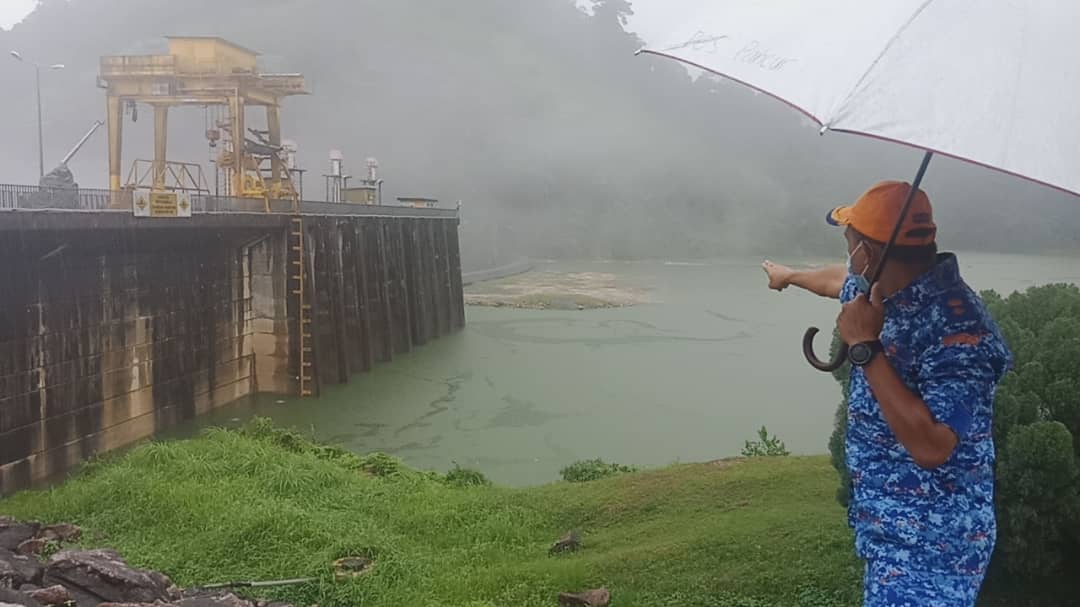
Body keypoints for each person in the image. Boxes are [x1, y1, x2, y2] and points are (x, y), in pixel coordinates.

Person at [762, 180, 1013, 607]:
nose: (847, 252)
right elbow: (838, 279)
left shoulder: (961, 333)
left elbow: (933, 445)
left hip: (934, 549)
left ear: (870, 253)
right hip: (889, 529)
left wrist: (866, 349)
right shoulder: (882, 290)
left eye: (850, 241)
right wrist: (790, 276)